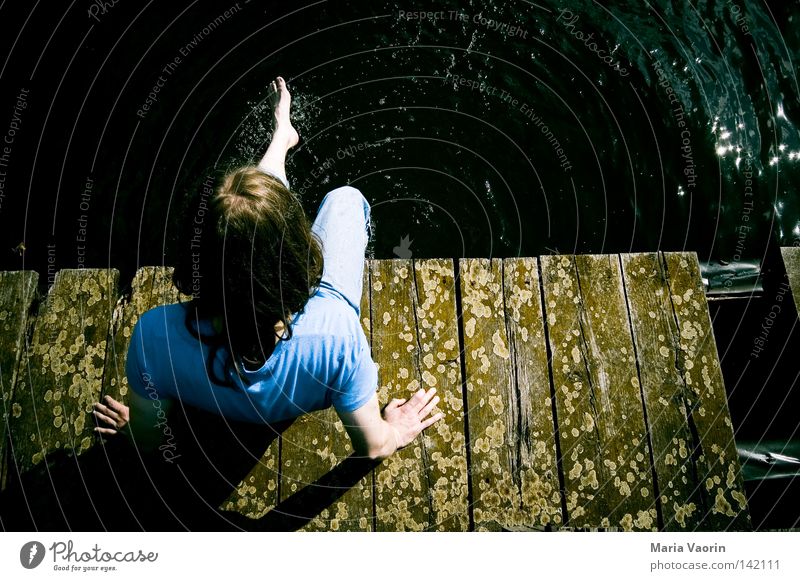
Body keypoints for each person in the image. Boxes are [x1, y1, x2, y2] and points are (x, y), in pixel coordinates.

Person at [93, 76, 443, 460]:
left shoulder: (153, 338)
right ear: (298, 257)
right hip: (308, 336)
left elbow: (148, 437)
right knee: (345, 200)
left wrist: (135, 427)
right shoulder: (335, 335)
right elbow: (373, 447)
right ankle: (282, 144)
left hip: (226, 390)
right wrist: (396, 428)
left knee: (244, 219)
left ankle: (282, 138)